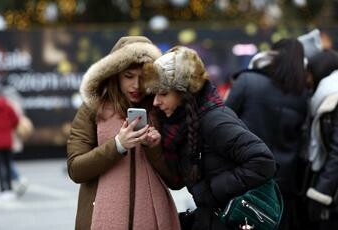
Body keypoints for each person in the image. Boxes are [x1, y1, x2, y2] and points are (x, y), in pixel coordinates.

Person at [142, 46, 276, 230]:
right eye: (155, 94)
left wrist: (212, 191)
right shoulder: (183, 124)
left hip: (233, 220)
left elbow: (263, 161)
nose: (156, 102)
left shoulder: (214, 120)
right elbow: (178, 180)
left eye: (163, 93)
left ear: (184, 93)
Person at [66, 36, 181, 230]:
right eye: (128, 76)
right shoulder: (92, 108)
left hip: (153, 218)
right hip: (101, 218)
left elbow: (176, 180)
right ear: (115, 74)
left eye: (143, 77)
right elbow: (76, 170)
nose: (136, 85)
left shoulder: (160, 108)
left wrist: (154, 148)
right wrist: (118, 145)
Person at [225, 38, 309, 230]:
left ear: (272, 56)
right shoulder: (303, 94)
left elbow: (223, 120)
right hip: (284, 180)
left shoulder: (247, 81)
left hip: (244, 172)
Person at [304, 49, 338, 230]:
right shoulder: (322, 99)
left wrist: (320, 193)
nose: (307, 79)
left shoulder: (334, 101)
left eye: (309, 73)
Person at [0, 87, 19, 202]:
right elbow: (16, 120)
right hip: (7, 140)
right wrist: (8, 128)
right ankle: (9, 189)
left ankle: (2, 190)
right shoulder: (7, 105)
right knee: (8, 165)